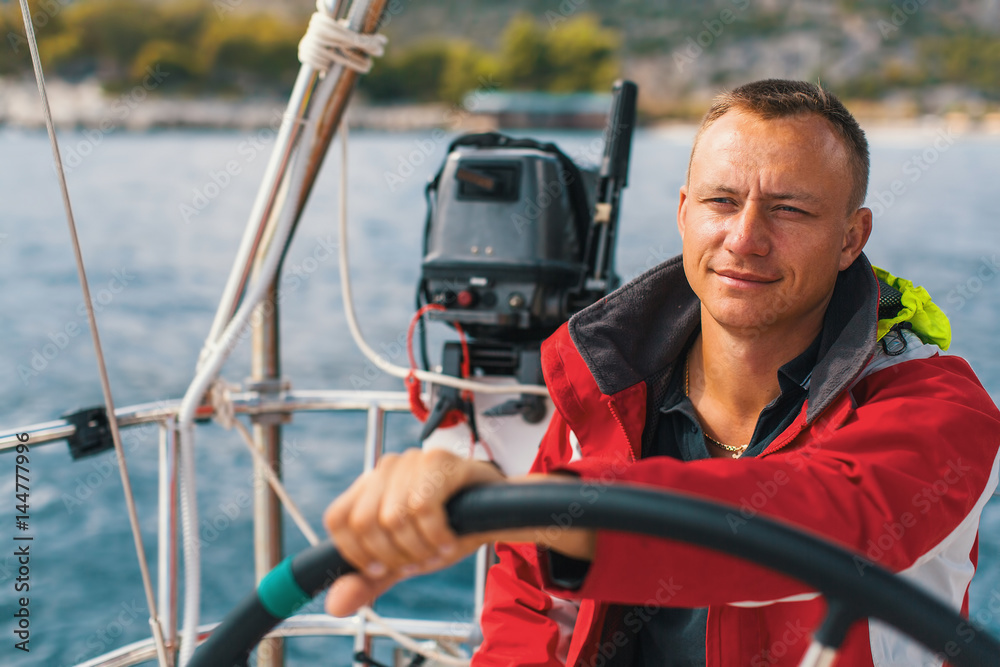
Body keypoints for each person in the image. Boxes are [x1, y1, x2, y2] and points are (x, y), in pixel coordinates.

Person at [322, 80, 1000, 666]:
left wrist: (541, 504)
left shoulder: (938, 405)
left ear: (852, 237)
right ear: (683, 213)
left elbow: (828, 517)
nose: (745, 237)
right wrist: (496, 498)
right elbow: (530, 617)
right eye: (721, 201)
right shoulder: (601, 395)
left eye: (790, 208)